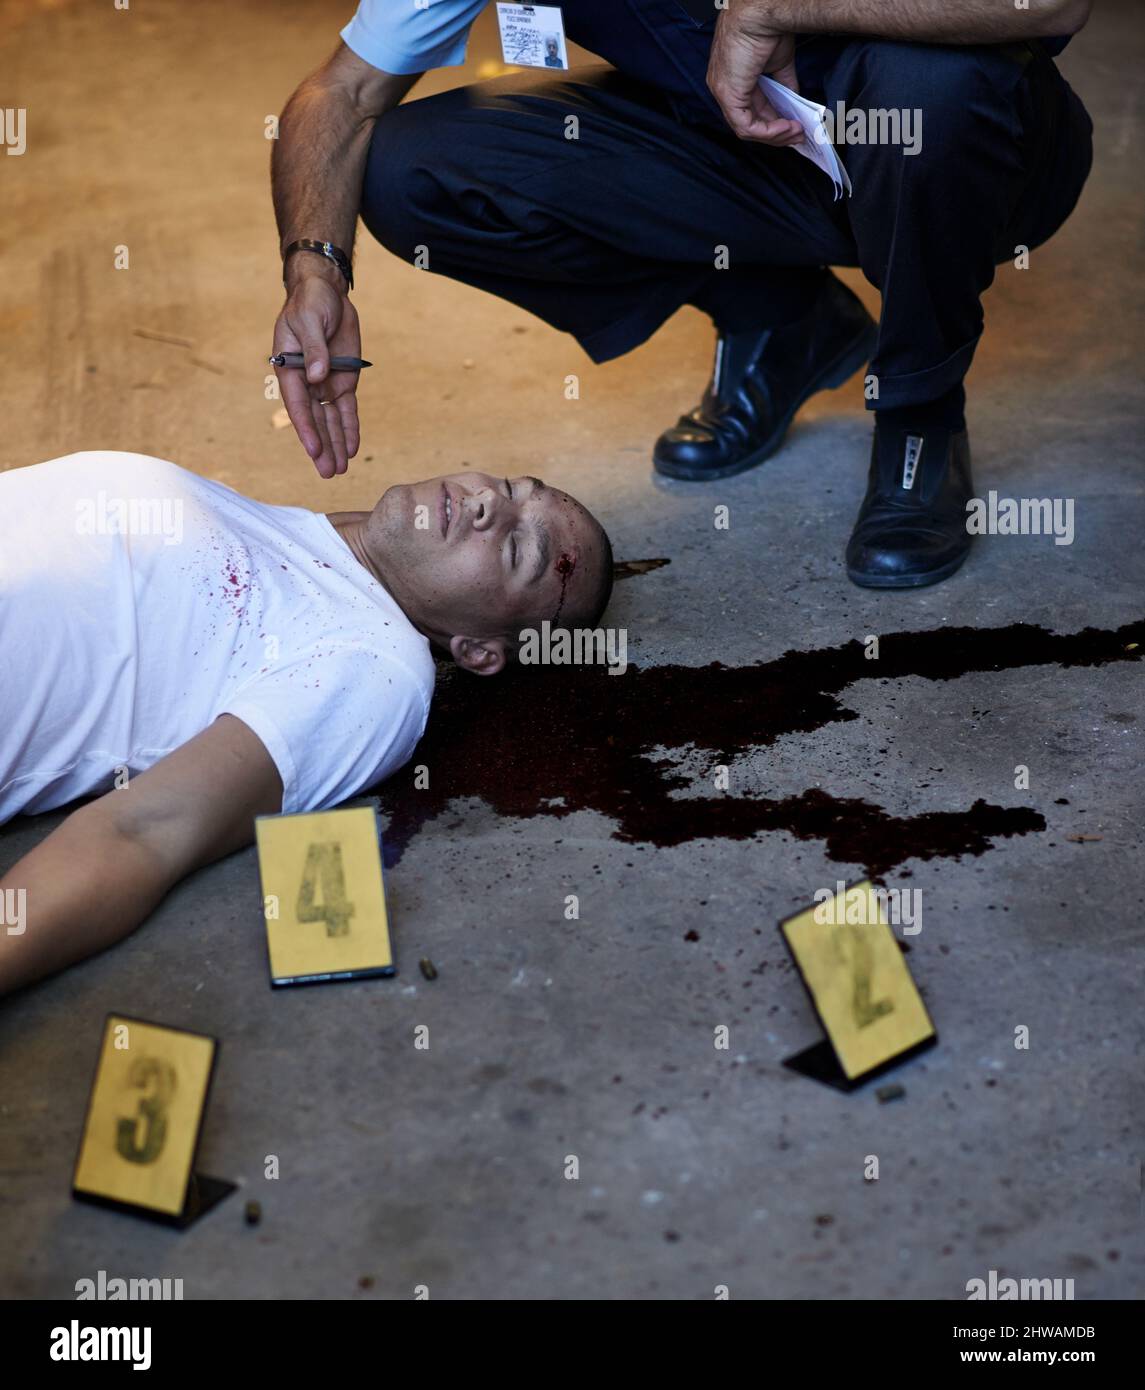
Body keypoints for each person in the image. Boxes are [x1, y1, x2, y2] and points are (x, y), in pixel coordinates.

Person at [271, 0, 1092, 588]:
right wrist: (314, 268)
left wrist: (768, 10)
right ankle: (780, 321)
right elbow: (340, 94)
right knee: (410, 169)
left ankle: (921, 412)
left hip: (966, 154)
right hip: (754, 147)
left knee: (928, 85)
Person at [0, 451, 612, 993]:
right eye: (507, 486)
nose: (486, 505)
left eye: (513, 549)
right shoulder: (296, 533)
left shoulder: (375, 667)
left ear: (477, 650)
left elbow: (143, 832)